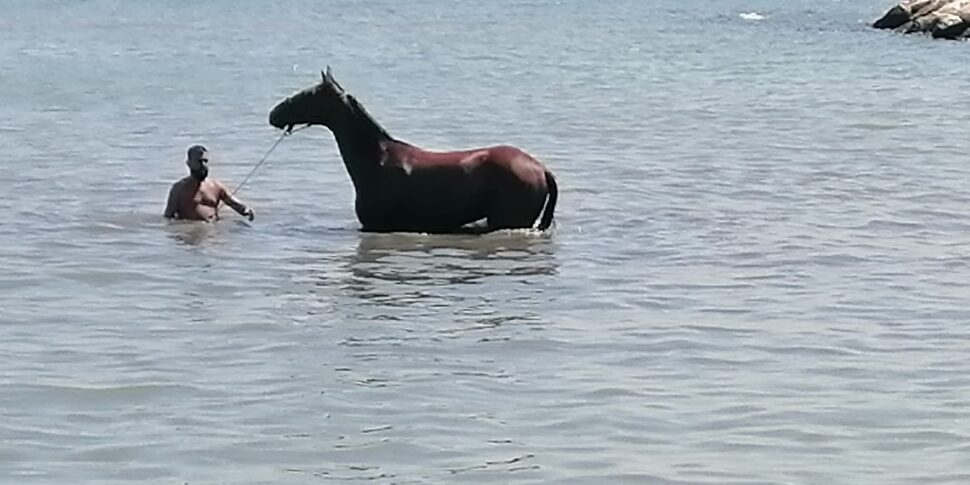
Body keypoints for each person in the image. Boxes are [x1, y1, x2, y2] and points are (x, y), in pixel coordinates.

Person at [164, 145, 255, 222]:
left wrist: (246, 210)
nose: (203, 165)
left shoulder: (216, 186)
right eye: (199, 161)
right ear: (189, 163)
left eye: (205, 161)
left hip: (213, 232)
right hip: (191, 236)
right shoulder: (179, 189)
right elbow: (168, 218)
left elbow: (233, 203)